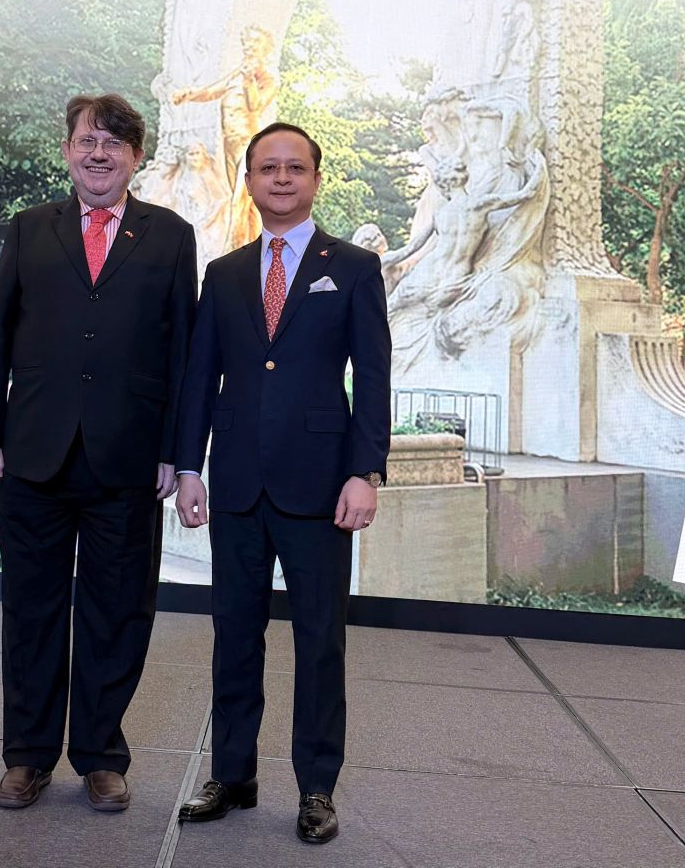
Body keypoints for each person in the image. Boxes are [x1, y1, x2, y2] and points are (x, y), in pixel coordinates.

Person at [0, 93, 197, 814]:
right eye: (88, 141)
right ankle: (27, 757)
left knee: (117, 613)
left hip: (128, 460)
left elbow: (184, 354)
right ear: (67, 150)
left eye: (115, 144)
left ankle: (100, 756)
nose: (100, 154)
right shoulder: (30, 228)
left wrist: (176, 450)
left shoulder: (171, 236)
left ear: (136, 158)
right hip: (33, 453)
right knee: (31, 612)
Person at [174, 121, 391, 845]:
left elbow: (374, 379)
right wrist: (188, 467)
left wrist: (365, 471)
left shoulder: (353, 268)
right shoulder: (225, 273)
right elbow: (201, 378)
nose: (282, 179)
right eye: (268, 168)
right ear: (250, 181)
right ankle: (232, 776)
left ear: (316, 179)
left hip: (321, 487)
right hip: (237, 484)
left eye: (295, 167)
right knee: (233, 636)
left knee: (320, 642)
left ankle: (317, 788)